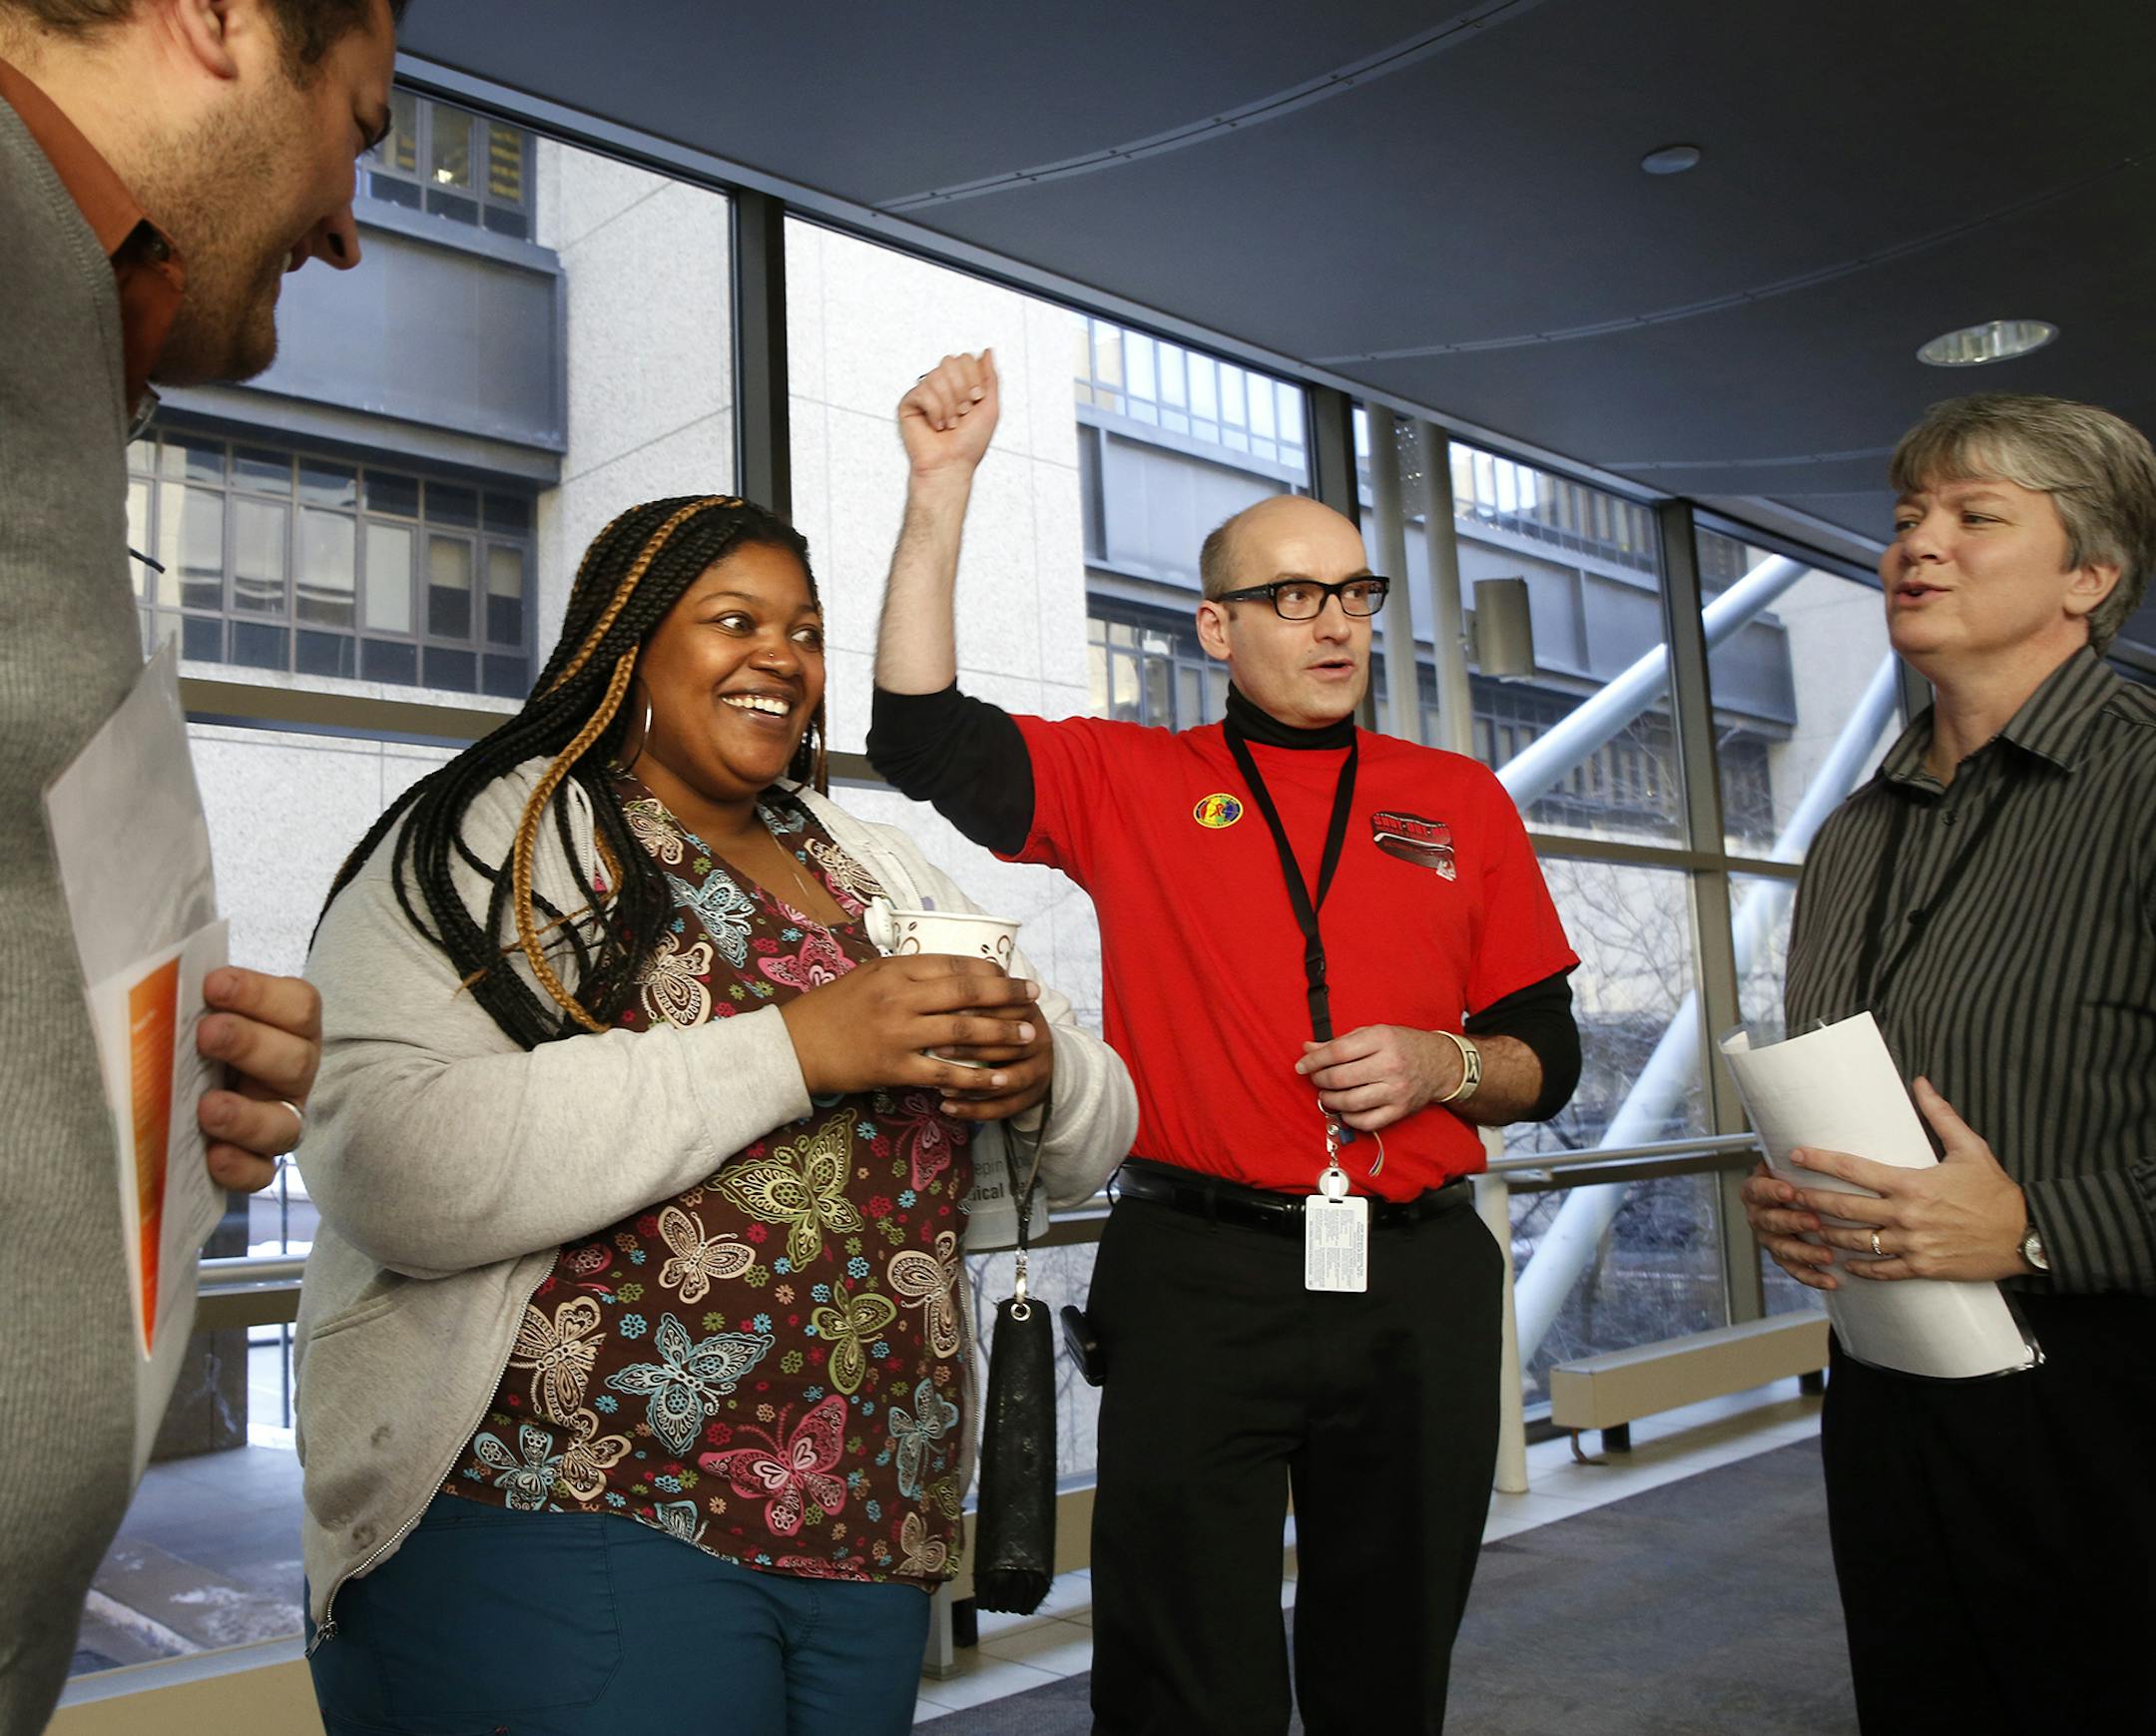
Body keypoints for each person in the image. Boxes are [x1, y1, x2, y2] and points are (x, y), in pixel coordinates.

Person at [295, 493, 1137, 1735]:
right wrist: (798, 1045)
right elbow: (388, 1162)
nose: (780, 656)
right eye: (731, 619)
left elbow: (1101, 1113)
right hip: (571, 1499)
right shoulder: (503, 831)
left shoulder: (870, 863)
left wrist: (1042, 1073)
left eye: (802, 629)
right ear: (626, 644)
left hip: (870, 1510)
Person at [869, 352, 1582, 1735]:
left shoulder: (1460, 799)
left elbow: (1548, 1052)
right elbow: (920, 732)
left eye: (1356, 591)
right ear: (1215, 626)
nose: (1336, 622)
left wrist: (1446, 1063)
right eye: (1292, 595)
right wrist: (942, 488)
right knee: (1184, 1668)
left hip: (1416, 1276)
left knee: (1391, 1663)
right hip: (1199, 1276)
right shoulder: (1135, 780)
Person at [0, 2, 402, 1723]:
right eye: (363, 128)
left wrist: (127, 1099)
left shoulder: (71, 324)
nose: (346, 220)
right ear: (221, 17)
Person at [1741, 392, 2156, 1732]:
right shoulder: (1853, 829)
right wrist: (1804, 1196)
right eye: (1910, 516)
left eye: (1977, 517)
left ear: (2091, 574)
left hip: (2113, 1397)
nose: (1920, 544)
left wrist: (2035, 1223)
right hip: (1889, 1387)